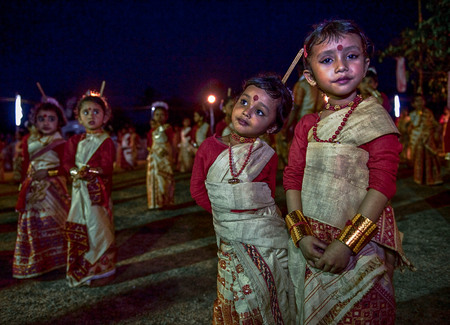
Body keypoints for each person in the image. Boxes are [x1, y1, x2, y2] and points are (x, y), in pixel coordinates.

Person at [283, 20, 414, 324]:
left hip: (361, 245)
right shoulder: (308, 125)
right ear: (310, 76)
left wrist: (346, 244)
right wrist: (300, 235)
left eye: (351, 56)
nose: (340, 66)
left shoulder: (375, 120)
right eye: (327, 60)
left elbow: (382, 185)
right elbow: (293, 178)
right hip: (311, 244)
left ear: (366, 64)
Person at [191, 74, 295, 324]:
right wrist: (228, 219)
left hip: (264, 237)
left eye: (260, 111)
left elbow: (266, 197)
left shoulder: (267, 155)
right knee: (234, 291)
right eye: (245, 102)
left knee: (265, 290)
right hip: (228, 236)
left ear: (272, 127)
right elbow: (197, 190)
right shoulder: (209, 147)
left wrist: (249, 223)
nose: (248, 112)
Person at [62, 92, 116, 287]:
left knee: (99, 227)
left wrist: (91, 171)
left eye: (96, 111)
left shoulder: (106, 141)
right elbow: (67, 163)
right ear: (79, 116)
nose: (91, 116)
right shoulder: (74, 141)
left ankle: (103, 270)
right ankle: (81, 268)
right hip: (79, 193)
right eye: (86, 112)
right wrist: (75, 171)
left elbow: (108, 167)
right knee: (80, 224)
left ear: (105, 116)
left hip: (97, 194)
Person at [13, 102, 70, 279]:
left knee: (55, 222)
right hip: (33, 190)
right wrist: (23, 183)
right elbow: (25, 165)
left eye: (51, 119)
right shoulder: (28, 140)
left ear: (59, 122)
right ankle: (38, 262)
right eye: (41, 118)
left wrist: (49, 172)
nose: (46, 122)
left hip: (54, 189)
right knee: (33, 223)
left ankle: (59, 261)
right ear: (35, 121)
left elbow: (67, 168)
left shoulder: (61, 142)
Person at [409, 94, 443, 185]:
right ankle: (420, 179)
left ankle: (431, 179)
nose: (420, 103)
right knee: (419, 159)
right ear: (413, 104)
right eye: (417, 101)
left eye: (421, 100)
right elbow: (415, 124)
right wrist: (419, 114)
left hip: (429, 139)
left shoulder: (428, 112)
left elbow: (433, 122)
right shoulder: (412, 114)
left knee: (431, 159)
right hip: (418, 140)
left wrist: (438, 127)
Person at [146, 101, 175, 209]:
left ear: (166, 116)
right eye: (157, 115)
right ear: (153, 116)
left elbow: (171, 142)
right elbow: (149, 145)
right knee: (156, 179)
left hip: (166, 157)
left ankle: (167, 201)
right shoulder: (151, 131)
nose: (159, 117)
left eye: (162, 115)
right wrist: (154, 151)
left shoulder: (168, 128)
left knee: (166, 179)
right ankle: (156, 203)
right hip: (155, 159)